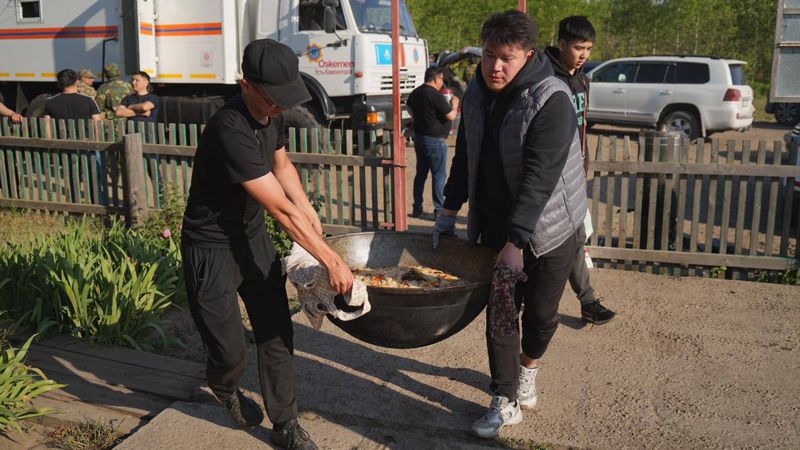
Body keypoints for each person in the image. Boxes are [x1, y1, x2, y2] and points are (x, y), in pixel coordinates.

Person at [181, 39, 354, 450]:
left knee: (276, 332)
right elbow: (279, 210)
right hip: (211, 247)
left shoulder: (270, 116)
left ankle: (286, 424)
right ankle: (223, 386)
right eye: (273, 98)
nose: (280, 107)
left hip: (252, 239)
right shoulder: (229, 128)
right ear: (246, 85)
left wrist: (307, 206)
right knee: (229, 352)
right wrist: (329, 258)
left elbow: (282, 166)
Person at [432, 10, 587, 438]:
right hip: (497, 225)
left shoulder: (551, 99)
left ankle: (528, 371)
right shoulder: (478, 95)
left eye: (506, 58)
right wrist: (449, 210)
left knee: (540, 317)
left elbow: (540, 178)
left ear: (528, 56)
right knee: (501, 313)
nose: (494, 67)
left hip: (554, 228)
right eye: (487, 56)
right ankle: (504, 398)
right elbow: (465, 156)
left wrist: (517, 243)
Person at [544, 16, 616, 325]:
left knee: (575, 234)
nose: (584, 54)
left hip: (574, 170)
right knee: (562, 237)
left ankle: (586, 301)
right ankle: (579, 301)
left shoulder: (581, 77)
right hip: (548, 171)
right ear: (561, 44)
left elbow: (581, 125)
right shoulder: (544, 75)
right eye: (578, 47)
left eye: (588, 48)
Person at [406, 67, 459, 219]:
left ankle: (417, 208)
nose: (442, 83)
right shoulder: (436, 96)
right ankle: (439, 210)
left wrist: (420, 117)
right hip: (435, 140)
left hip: (420, 138)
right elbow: (450, 116)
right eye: (441, 80)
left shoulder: (416, 92)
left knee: (421, 174)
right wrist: (454, 104)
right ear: (436, 78)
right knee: (439, 176)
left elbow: (408, 107)